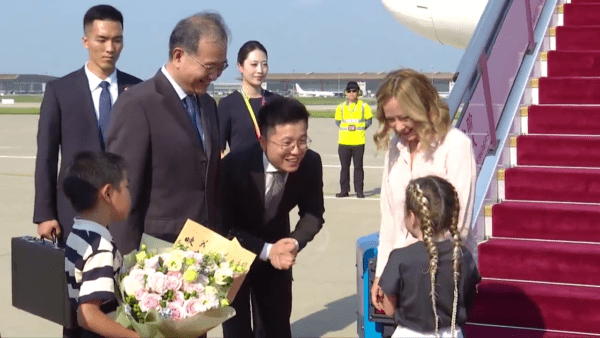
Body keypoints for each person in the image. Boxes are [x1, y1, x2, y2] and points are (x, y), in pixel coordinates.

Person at [106, 12, 229, 255]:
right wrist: (128, 264)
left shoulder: (207, 105)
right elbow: (123, 192)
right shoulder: (138, 104)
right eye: (209, 67)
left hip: (203, 250)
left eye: (221, 67)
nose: (214, 77)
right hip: (156, 254)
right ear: (179, 56)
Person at [370, 69, 477, 313]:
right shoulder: (395, 149)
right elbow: (390, 218)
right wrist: (384, 272)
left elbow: (459, 223)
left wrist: (410, 266)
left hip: (440, 274)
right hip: (400, 274)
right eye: (390, 119)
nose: (398, 126)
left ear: (424, 108)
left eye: (405, 117)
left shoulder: (455, 145)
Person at [34, 4, 141, 246]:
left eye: (117, 40)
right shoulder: (60, 91)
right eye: (101, 40)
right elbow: (47, 158)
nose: (110, 48)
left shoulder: (139, 90)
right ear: (85, 41)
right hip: (74, 211)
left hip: (126, 214)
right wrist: (45, 214)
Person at [220, 97, 325, 338]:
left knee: (276, 328)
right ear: (263, 141)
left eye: (302, 140)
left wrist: (293, 243)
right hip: (234, 251)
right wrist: (267, 250)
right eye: (287, 143)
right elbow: (224, 225)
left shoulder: (310, 162)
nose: (296, 151)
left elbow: (313, 213)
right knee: (236, 329)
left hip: (279, 254)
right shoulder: (235, 166)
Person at [379, 176, 480, 337]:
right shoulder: (463, 256)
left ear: (412, 217)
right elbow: (469, 301)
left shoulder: (400, 258)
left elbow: (389, 308)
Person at [63, 151, 139, 338]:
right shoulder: (100, 247)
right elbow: (88, 315)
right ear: (108, 193)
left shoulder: (79, 233)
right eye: (126, 186)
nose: (129, 193)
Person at [218, 40, 279, 156]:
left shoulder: (277, 102)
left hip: (272, 171)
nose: (260, 70)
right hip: (242, 173)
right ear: (240, 66)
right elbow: (219, 150)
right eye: (254, 65)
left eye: (264, 64)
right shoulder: (227, 104)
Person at [335, 81, 373, 198]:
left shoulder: (364, 106)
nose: (351, 93)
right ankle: (344, 190)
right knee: (344, 168)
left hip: (358, 142)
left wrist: (360, 129)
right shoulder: (340, 107)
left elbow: (369, 120)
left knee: (358, 167)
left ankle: (359, 191)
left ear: (358, 93)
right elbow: (338, 122)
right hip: (344, 142)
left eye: (354, 91)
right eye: (349, 91)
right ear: (346, 93)